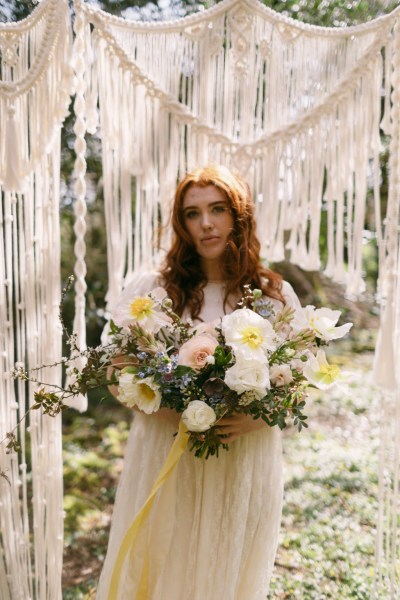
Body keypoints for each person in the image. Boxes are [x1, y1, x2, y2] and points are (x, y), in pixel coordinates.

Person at [96, 165, 302, 600]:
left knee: (226, 563)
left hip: (244, 453)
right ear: (181, 223)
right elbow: (115, 367)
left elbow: (298, 379)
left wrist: (258, 421)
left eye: (218, 209)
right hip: (165, 447)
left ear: (238, 216)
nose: (206, 223)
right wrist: (171, 408)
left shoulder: (272, 295)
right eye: (192, 213)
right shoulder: (154, 289)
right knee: (162, 558)